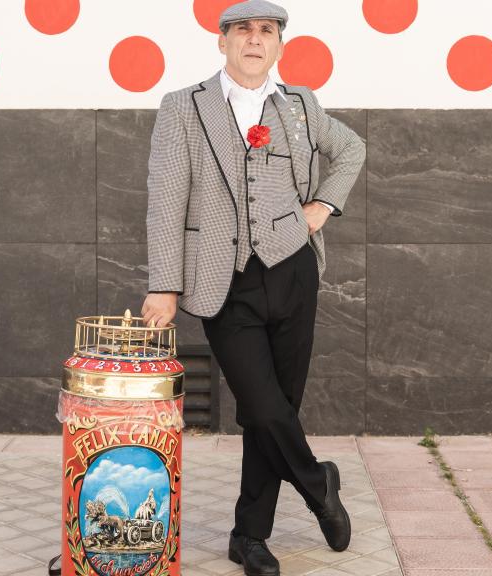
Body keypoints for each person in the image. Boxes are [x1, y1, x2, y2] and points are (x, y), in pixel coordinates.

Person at [140, 1, 365, 574]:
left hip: (293, 271)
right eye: (243, 30)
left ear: (280, 46)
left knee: (278, 409)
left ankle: (249, 537)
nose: (255, 40)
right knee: (264, 409)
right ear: (222, 42)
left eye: (267, 31)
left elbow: (352, 150)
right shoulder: (183, 108)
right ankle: (319, 483)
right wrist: (165, 285)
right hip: (224, 279)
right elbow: (166, 200)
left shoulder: (301, 106)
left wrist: (320, 208)